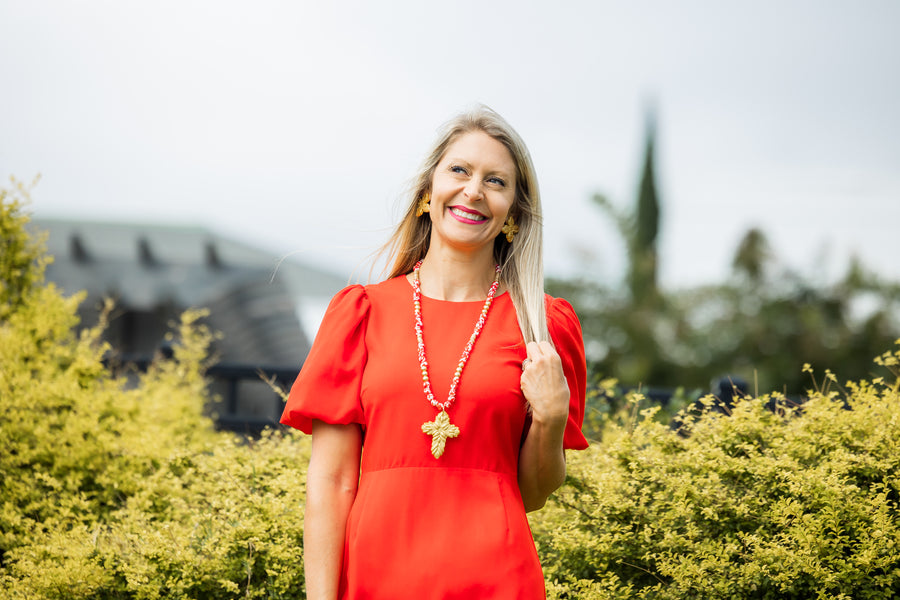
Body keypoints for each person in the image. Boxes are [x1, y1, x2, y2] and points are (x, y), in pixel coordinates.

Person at [280, 105, 589, 599]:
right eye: (460, 170)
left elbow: (531, 494)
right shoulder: (362, 314)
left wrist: (551, 418)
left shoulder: (542, 327)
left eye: (496, 181)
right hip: (376, 580)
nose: (474, 190)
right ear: (428, 191)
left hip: (497, 582)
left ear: (513, 212)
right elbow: (332, 482)